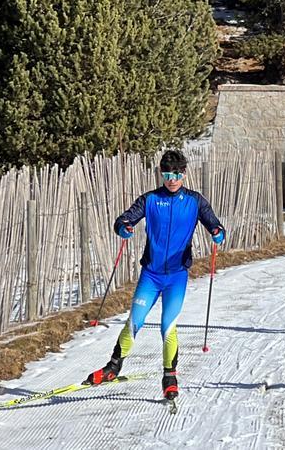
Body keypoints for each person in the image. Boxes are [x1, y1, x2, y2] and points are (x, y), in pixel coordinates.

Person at [83, 149, 226, 402]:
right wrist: (124, 227)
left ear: (184, 173)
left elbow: (215, 224)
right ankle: (113, 368)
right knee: (134, 321)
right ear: (161, 174)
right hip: (151, 275)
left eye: (177, 174)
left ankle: (169, 378)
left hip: (176, 277)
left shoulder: (195, 201)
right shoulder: (150, 199)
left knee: (167, 327)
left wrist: (217, 232)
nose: (172, 179)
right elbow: (124, 219)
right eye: (167, 174)